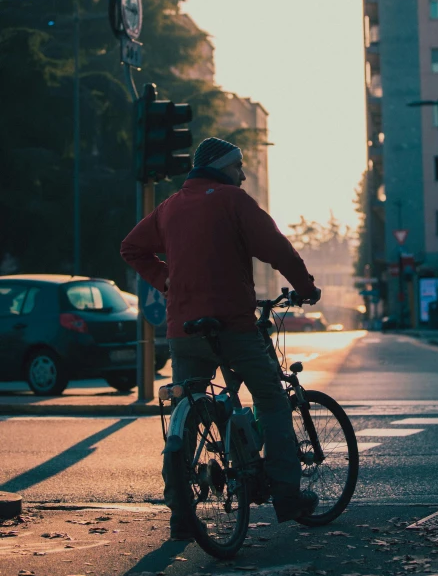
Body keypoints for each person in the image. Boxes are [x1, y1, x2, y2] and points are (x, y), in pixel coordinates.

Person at [120, 137, 321, 539]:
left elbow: (131, 248)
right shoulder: (233, 201)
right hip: (233, 325)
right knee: (271, 399)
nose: (244, 174)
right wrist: (306, 288)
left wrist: (167, 282)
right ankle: (285, 494)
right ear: (222, 168)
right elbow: (277, 249)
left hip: (184, 330)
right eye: (239, 166)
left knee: (189, 405)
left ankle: (181, 515)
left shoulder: (170, 207)